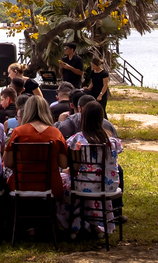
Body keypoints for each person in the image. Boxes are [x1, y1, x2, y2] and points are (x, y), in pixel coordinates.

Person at [65, 101, 122, 236]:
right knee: (91, 182)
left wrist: (66, 170)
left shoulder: (78, 139)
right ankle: (96, 225)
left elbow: (75, 168)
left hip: (88, 185)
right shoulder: (111, 141)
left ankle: (78, 225)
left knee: (67, 182)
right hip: (109, 186)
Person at [4, 94, 68, 194]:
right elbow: (63, 163)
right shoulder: (56, 133)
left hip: (21, 185)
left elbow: (7, 162)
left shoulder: (18, 132)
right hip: (51, 187)